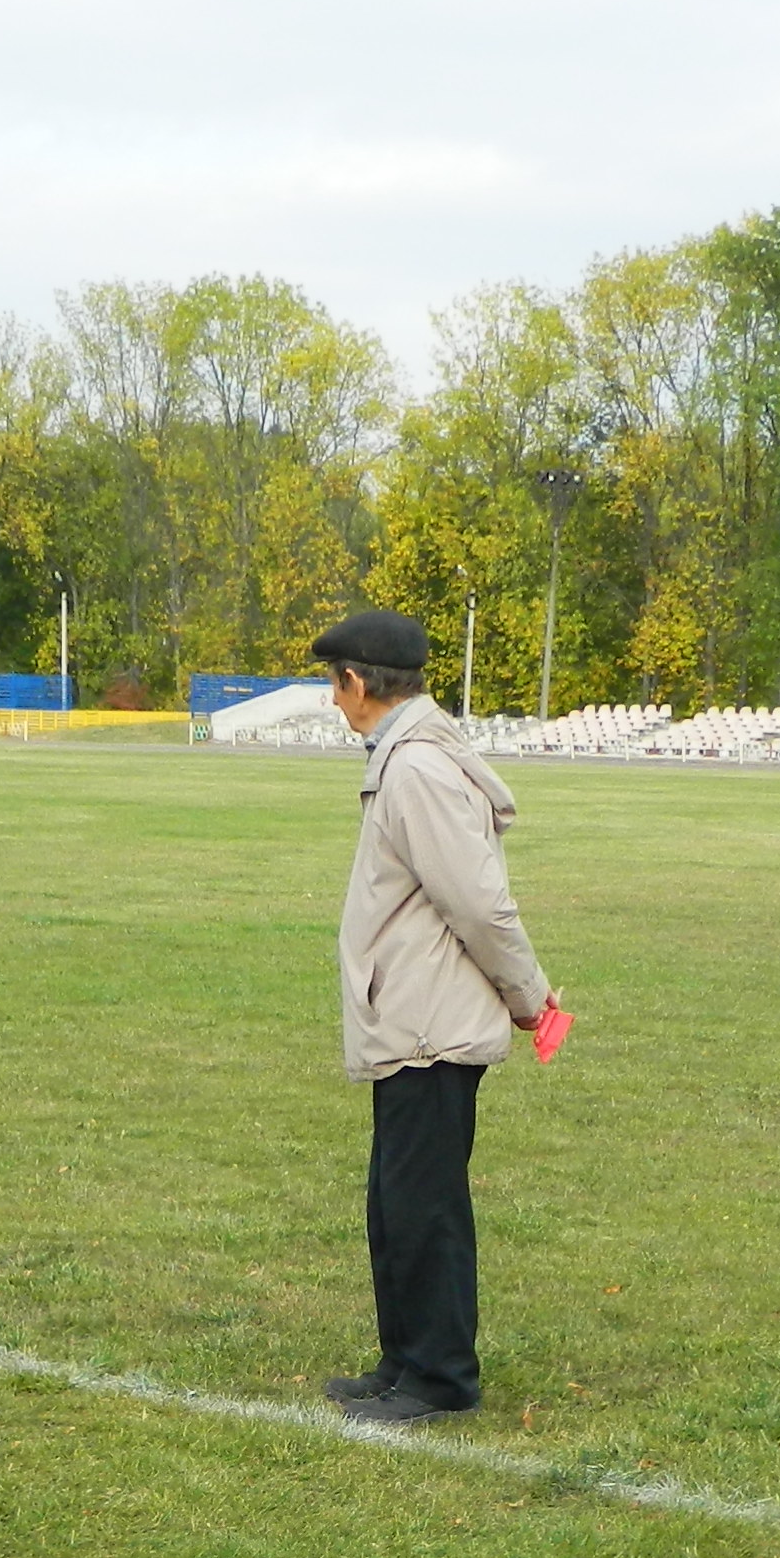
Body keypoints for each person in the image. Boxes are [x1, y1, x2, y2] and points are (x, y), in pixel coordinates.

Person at [308, 607, 559, 1424]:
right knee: (395, 1199)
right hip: (412, 1019)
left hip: (431, 1025)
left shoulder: (417, 770)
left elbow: (481, 907)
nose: (332, 701)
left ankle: (441, 1379)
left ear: (358, 682)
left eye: (333, 683)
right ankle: (403, 1359)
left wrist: (530, 999)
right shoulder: (409, 759)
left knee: (425, 1205)